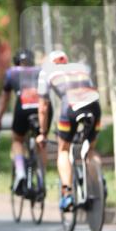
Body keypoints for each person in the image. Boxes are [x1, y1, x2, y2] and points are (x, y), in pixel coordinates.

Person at [36, 50, 101, 212]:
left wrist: (42, 133)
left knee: (63, 149)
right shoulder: (80, 67)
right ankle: (99, 186)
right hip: (94, 105)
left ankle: (67, 194)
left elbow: (43, 107)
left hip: (70, 106)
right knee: (90, 149)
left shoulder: (46, 71)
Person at [0, 49, 51, 195]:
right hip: (42, 109)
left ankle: (20, 172)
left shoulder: (11, 73)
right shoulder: (41, 71)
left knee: (17, 140)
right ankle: (41, 178)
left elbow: (4, 100)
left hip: (23, 109)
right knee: (41, 141)